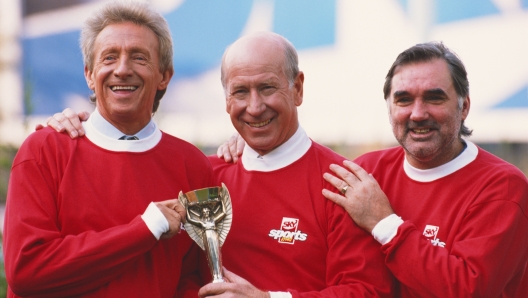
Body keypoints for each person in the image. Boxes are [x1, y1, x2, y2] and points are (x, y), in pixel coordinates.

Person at [42, 32, 395, 297]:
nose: (254, 107)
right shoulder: (204, 175)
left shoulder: (341, 184)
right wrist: (85, 128)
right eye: (241, 92)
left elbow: (366, 291)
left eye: (268, 88)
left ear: (298, 88)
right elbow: (174, 274)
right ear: (225, 97)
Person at [4, 1, 214, 297]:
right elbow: (28, 271)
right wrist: (145, 228)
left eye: (139, 58)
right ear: (90, 74)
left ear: (164, 75)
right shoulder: (43, 151)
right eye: (109, 58)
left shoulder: (193, 165)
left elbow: (193, 278)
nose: (123, 69)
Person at [320, 42, 528, 297]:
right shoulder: (364, 174)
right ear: (390, 109)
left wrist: (384, 224)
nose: (417, 114)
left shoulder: (503, 187)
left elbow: (469, 290)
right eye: (404, 99)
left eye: (434, 98)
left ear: (463, 108)